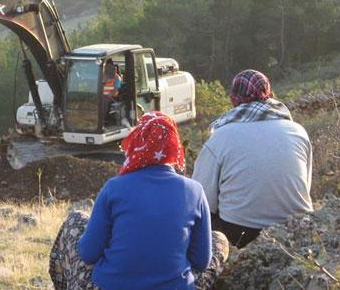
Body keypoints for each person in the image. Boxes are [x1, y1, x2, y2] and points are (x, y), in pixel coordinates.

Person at [49, 112, 229, 290]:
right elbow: (202, 261)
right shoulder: (195, 191)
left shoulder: (114, 188)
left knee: (75, 219)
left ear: (136, 143)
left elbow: (88, 254)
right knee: (219, 239)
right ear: (175, 147)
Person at [192, 69, 313, 248]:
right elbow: (305, 186)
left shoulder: (220, 137)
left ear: (233, 99)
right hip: (298, 228)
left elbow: (201, 199)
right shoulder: (298, 131)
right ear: (269, 95)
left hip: (241, 234)